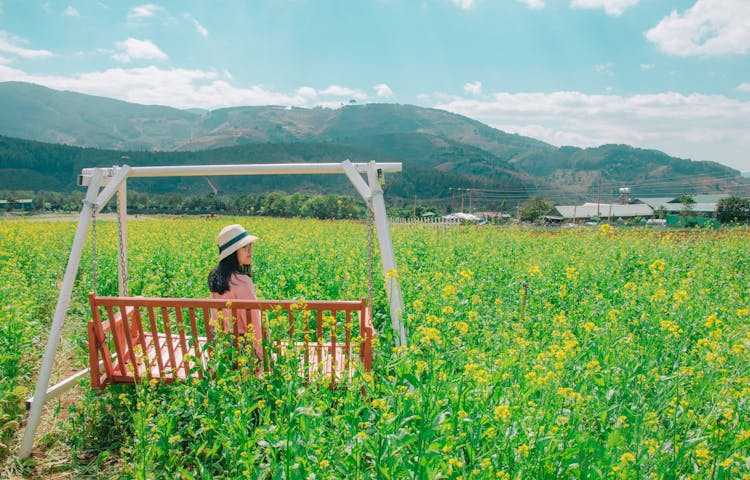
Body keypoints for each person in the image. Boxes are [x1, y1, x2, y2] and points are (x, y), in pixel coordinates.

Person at [208, 224, 264, 373]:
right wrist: (262, 356)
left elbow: (215, 319)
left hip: (221, 348)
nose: (250, 252)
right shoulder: (242, 281)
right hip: (242, 351)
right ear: (233, 253)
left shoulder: (215, 277)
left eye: (250, 246)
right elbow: (254, 323)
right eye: (245, 248)